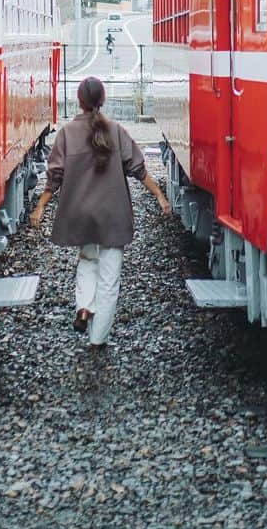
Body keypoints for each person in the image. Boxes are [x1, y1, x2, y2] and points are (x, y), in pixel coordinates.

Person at [29, 76, 170, 349]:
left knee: (87, 259)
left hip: (80, 215)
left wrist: (40, 206)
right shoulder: (116, 131)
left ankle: (84, 306)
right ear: (102, 100)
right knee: (109, 280)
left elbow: (54, 176)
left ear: (79, 101)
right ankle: (97, 339)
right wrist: (160, 196)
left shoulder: (67, 134)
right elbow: (139, 170)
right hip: (113, 216)